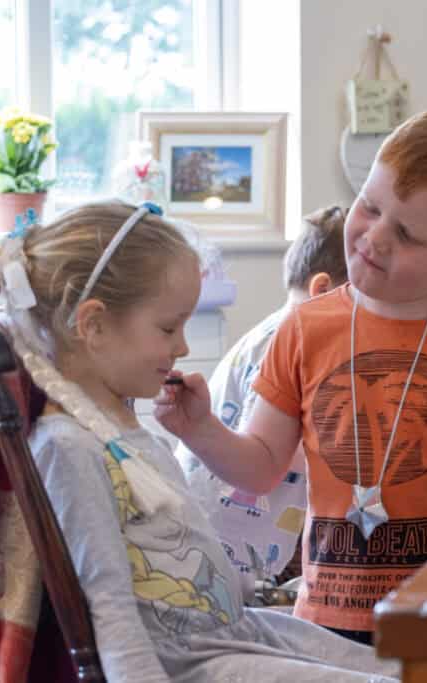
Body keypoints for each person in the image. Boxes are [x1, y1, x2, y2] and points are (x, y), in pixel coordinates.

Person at [0, 200, 397, 682]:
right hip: (190, 661)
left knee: (414, 669)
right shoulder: (68, 446)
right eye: (169, 327)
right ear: (93, 325)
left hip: (236, 630)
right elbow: (109, 604)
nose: (183, 347)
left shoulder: (123, 427)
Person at [155, 106, 427, 644]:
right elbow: (261, 467)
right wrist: (199, 429)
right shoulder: (304, 328)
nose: (374, 237)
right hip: (328, 621)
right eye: (370, 206)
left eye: (406, 234)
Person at [175, 205, 348, 604]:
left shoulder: (284, 334)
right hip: (224, 533)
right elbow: (276, 448)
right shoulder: (286, 343)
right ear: (323, 291)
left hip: (246, 531)